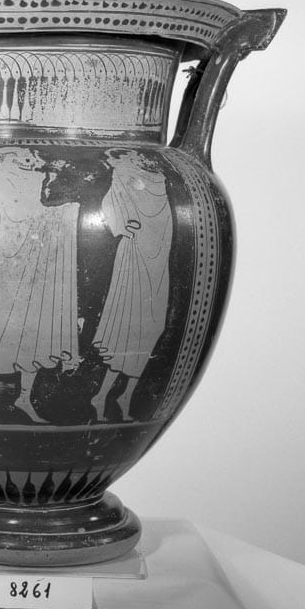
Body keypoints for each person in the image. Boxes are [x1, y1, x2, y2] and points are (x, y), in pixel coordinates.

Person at [0, 147, 80, 423]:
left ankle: (24, 397)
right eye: (18, 156)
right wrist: (58, 207)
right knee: (1, 332)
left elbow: (37, 211)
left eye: (26, 156)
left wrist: (58, 199)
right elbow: (18, 216)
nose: (25, 159)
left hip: (34, 263)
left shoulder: (31, 178)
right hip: (7, 266)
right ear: (5, 160)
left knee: (34, 333)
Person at [91, 149, 172, 421]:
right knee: (127, 330)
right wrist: (120, 226)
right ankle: (103, 395)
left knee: (152, 327)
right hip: (135, 257)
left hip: (158, 259)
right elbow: (108, 203)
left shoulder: (158, 172)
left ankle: (124, 396)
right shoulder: (123, 175)